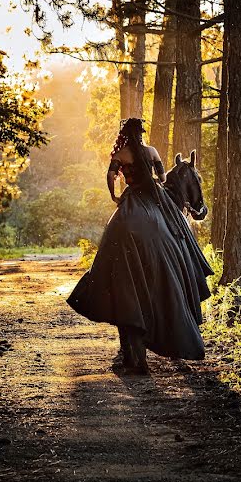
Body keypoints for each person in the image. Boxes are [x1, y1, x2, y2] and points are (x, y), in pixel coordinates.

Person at [67, 118, 213, 374]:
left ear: (124, 134)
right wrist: (156, 180)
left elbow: (111, 175)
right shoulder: (152, 151)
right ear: (142, 133)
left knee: (108, 253)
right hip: (154, 200)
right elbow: (163, 176)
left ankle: (127, 341)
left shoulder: (121, 153)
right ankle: (186, 274)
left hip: (131, 202)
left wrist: (114, 195)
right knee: (180, 235)